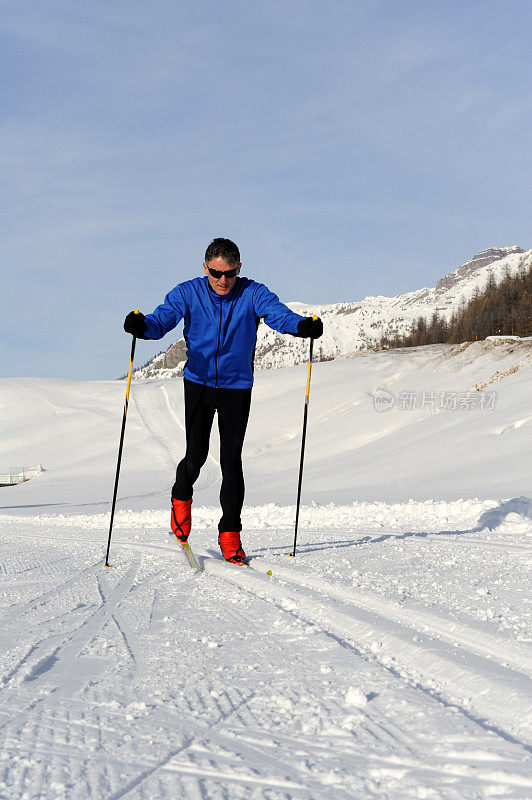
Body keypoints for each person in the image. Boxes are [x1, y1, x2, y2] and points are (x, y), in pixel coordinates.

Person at [124, 237, 323, 563]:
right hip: (199, 384)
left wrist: (302, 326)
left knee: (232, 461)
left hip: (237, 388)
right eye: (215, 273)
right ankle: (180, 497)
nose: (222, 280)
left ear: (239, 269)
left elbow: (279, 315)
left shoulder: (253, 292)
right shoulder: (188, 292)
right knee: (196, 457)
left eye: (229, 273)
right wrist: (142, 325)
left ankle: (230, 535)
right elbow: (162, 320)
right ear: (205, 268)